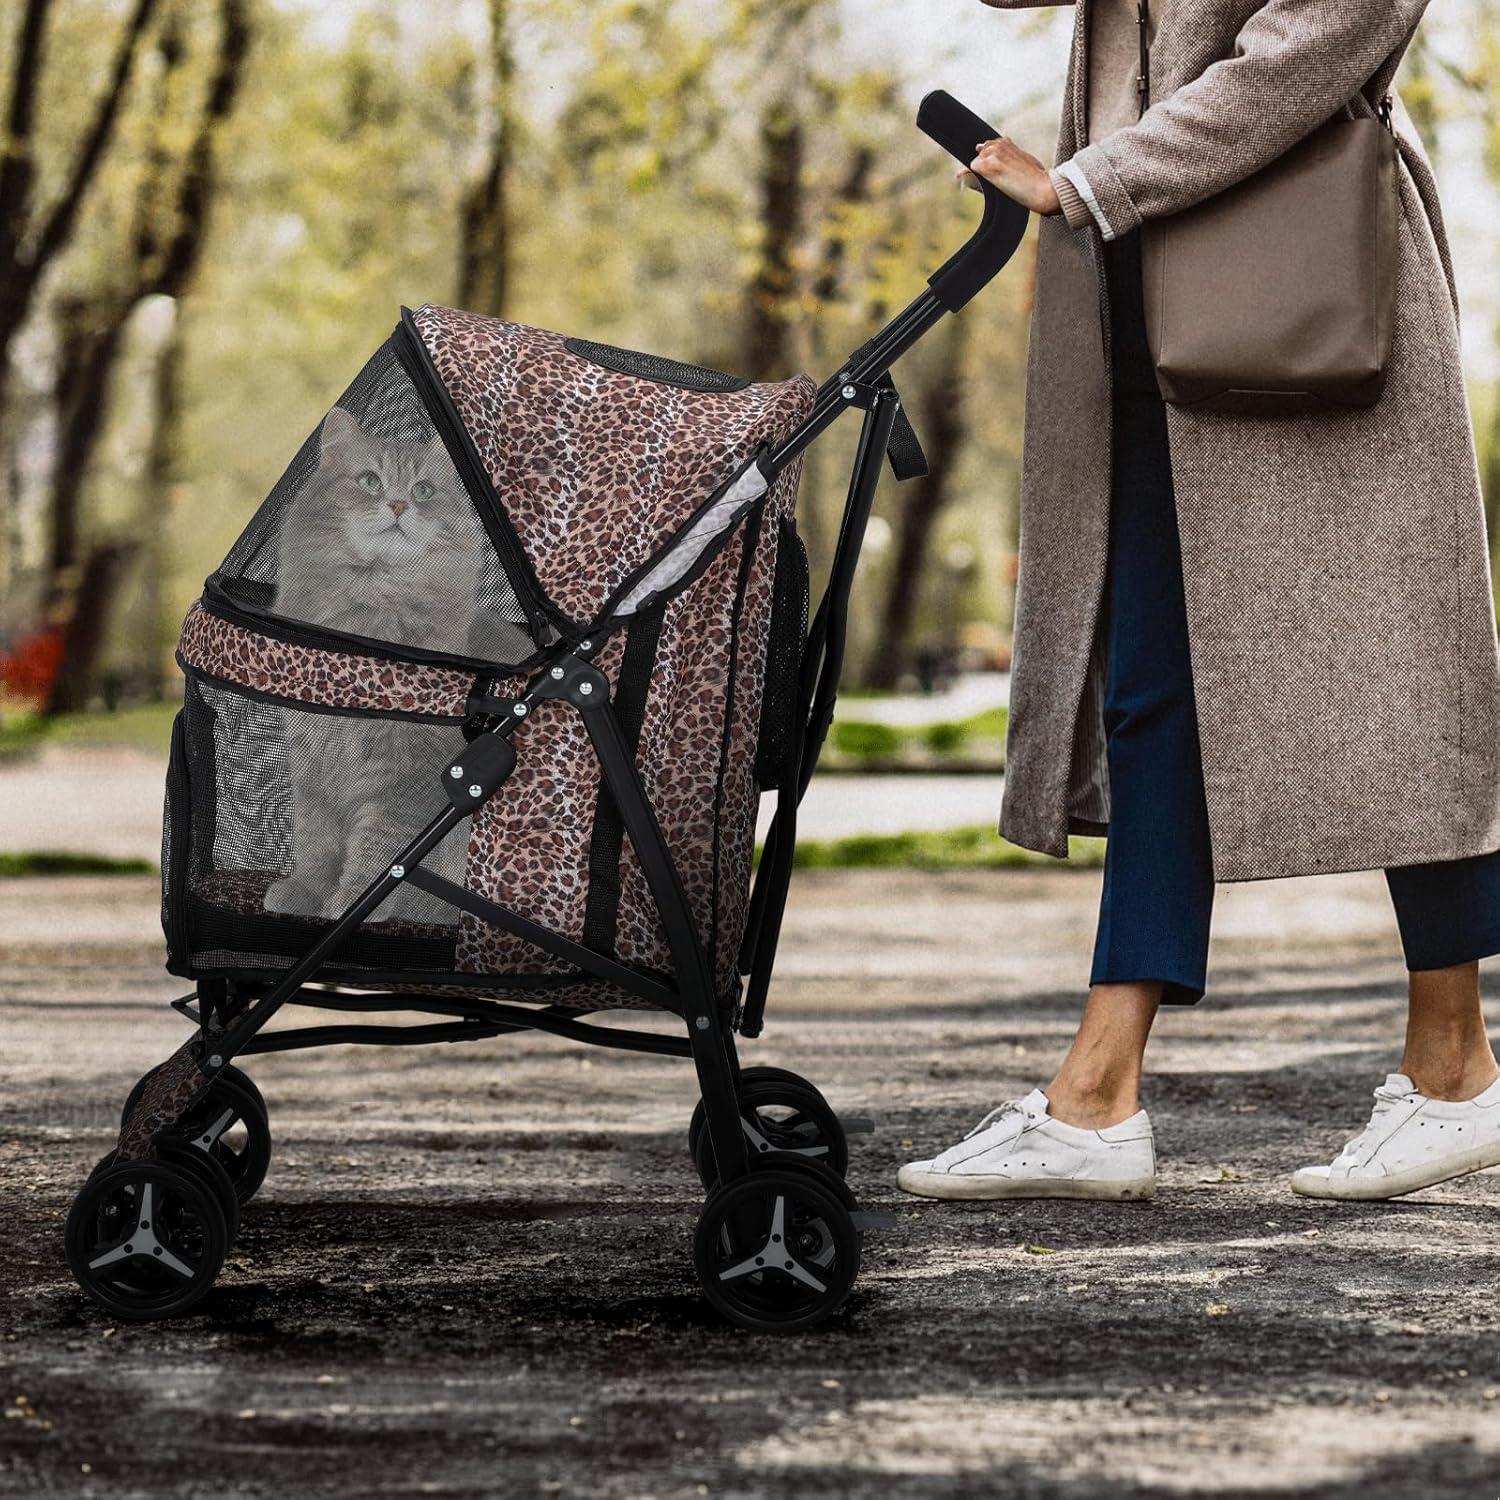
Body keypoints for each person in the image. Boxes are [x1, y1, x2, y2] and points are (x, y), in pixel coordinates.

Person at [900, 0, 1500, 1204]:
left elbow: (1319, 41)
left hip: (1302, 288)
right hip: (1136, 287)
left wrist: (1089, 182)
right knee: (1151, 687)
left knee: (1401, 674)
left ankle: (1454, 1067)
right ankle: (1097, 1094)